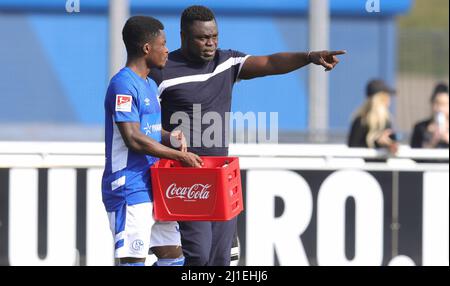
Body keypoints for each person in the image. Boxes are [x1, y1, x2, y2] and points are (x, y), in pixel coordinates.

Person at [149, 5, 345, 266]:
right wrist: (168, 138)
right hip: (185, 176)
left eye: (214, 36)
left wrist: (309, 56)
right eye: (202, 38)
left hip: (220, 174)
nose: (211, 43)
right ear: (183, 36)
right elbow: (144, 124)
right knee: (198, 257)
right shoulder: (162, 70)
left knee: (221, 260)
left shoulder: (227, 61)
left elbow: (271, 63)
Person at [101, 16, 203, 266]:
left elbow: (147, 129)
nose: (167, 49)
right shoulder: (123, 85)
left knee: (174, 258)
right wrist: (181, 156)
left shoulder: (147, 83)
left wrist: (169, 136)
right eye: (163, 43)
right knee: (132, 261)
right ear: (147, 48)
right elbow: (133, 138)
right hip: (130, 187)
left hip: (153, 184)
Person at [347, 79, 399, 154]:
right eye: (387, 96)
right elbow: (353, 148)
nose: (389, 99)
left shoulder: (386, 120)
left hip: (380, 164)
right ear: (381, 98)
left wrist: (391, 144)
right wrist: (377, 142)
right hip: (367, 164)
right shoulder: (361, 121)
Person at [410, 83, 449, 149]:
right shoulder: (420, 127)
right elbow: (415, 153)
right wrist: (433, 141)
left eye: (444, 104)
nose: (440, 109)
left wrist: (446, 137)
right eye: (437, 103)